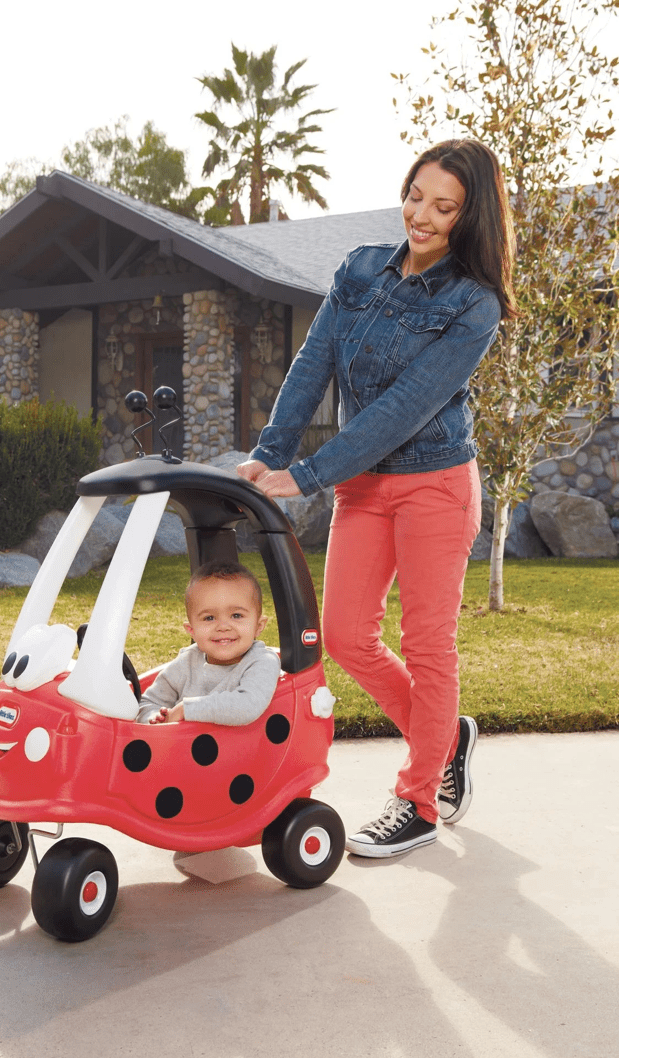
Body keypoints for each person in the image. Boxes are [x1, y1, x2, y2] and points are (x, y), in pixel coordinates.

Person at [237, 138, 518, 857]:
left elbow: (404, 409)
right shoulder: (358, 269)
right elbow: (311, 367)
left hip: (435, 484)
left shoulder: (474, 305)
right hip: (365, 489)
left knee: (428, 647)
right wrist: (269, 455)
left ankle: (418, 801)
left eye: (443, 207)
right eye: (416, 195)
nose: (421, 216)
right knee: (346, 637)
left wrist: (305, 476)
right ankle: (444, 736)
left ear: (468, 218)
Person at [136, 560, 281, 726]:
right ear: (191, 630)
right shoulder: (186, 662)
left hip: (248, 749)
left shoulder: (262, 661)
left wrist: (185, 709)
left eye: (236, 615)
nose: (223, 627)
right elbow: (146, 703)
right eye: (209, 618)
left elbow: (247, 705)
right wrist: (155, 717)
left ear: (258, 626)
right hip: (180, 747)